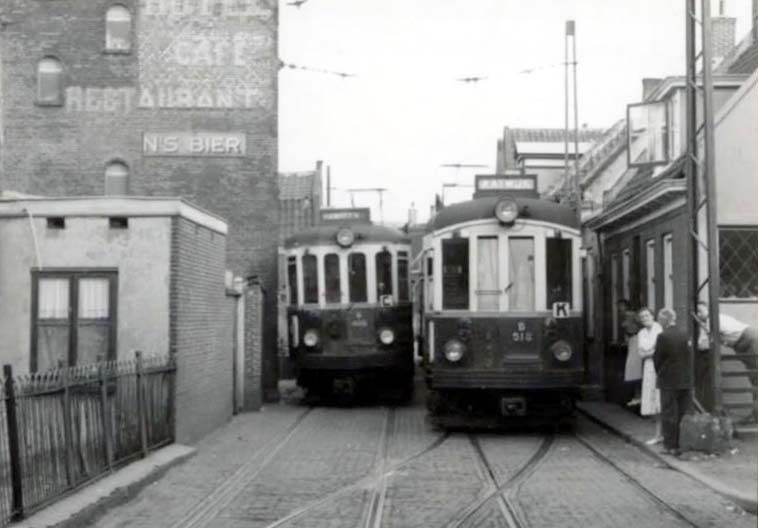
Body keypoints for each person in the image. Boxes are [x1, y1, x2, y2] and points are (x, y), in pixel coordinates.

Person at [696, 301, 758, 420]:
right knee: (753, 378)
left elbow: (703, 343)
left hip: (749, 340)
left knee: (755, 376)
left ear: (708, 310)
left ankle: (755, 414)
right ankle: (754, 413)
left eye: (700, 311)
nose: (698, 315)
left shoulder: (712, 320)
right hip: (743, 342)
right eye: (697, 312)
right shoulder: (714, 320)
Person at [653, 308, 692, 456]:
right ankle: (682, 444)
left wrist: (661, 373)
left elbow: (657, 359)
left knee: (669, 413)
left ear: (664, 320)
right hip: (685, 380)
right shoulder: (685, 334)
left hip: (669, 380)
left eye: (659, 319)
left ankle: (670, 445)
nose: (659, 322)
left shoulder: (663, 336)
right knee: (683, 412)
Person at [637, 307, 663, 444]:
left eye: (647, 315)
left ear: (653, 316)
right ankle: (657, 434)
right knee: (652, 401)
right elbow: (641, 354)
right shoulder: (641, 333)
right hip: (648, 367)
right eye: (642, 317)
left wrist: (649, 351)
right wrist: (651, 351)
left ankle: (663, 434)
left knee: (660, 400)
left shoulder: (659, 329)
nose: (645, 318)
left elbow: (659, 350)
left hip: (659, 366)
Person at [619, 300, 643, 406]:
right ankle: (636, 396)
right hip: (631, 340)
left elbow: (639, 324)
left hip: (635, 339)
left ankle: (638, 396)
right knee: (633, 369)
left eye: (621, 306)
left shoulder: (631, 314)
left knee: (634, 369)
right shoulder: (625, 316)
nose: (619, 308)